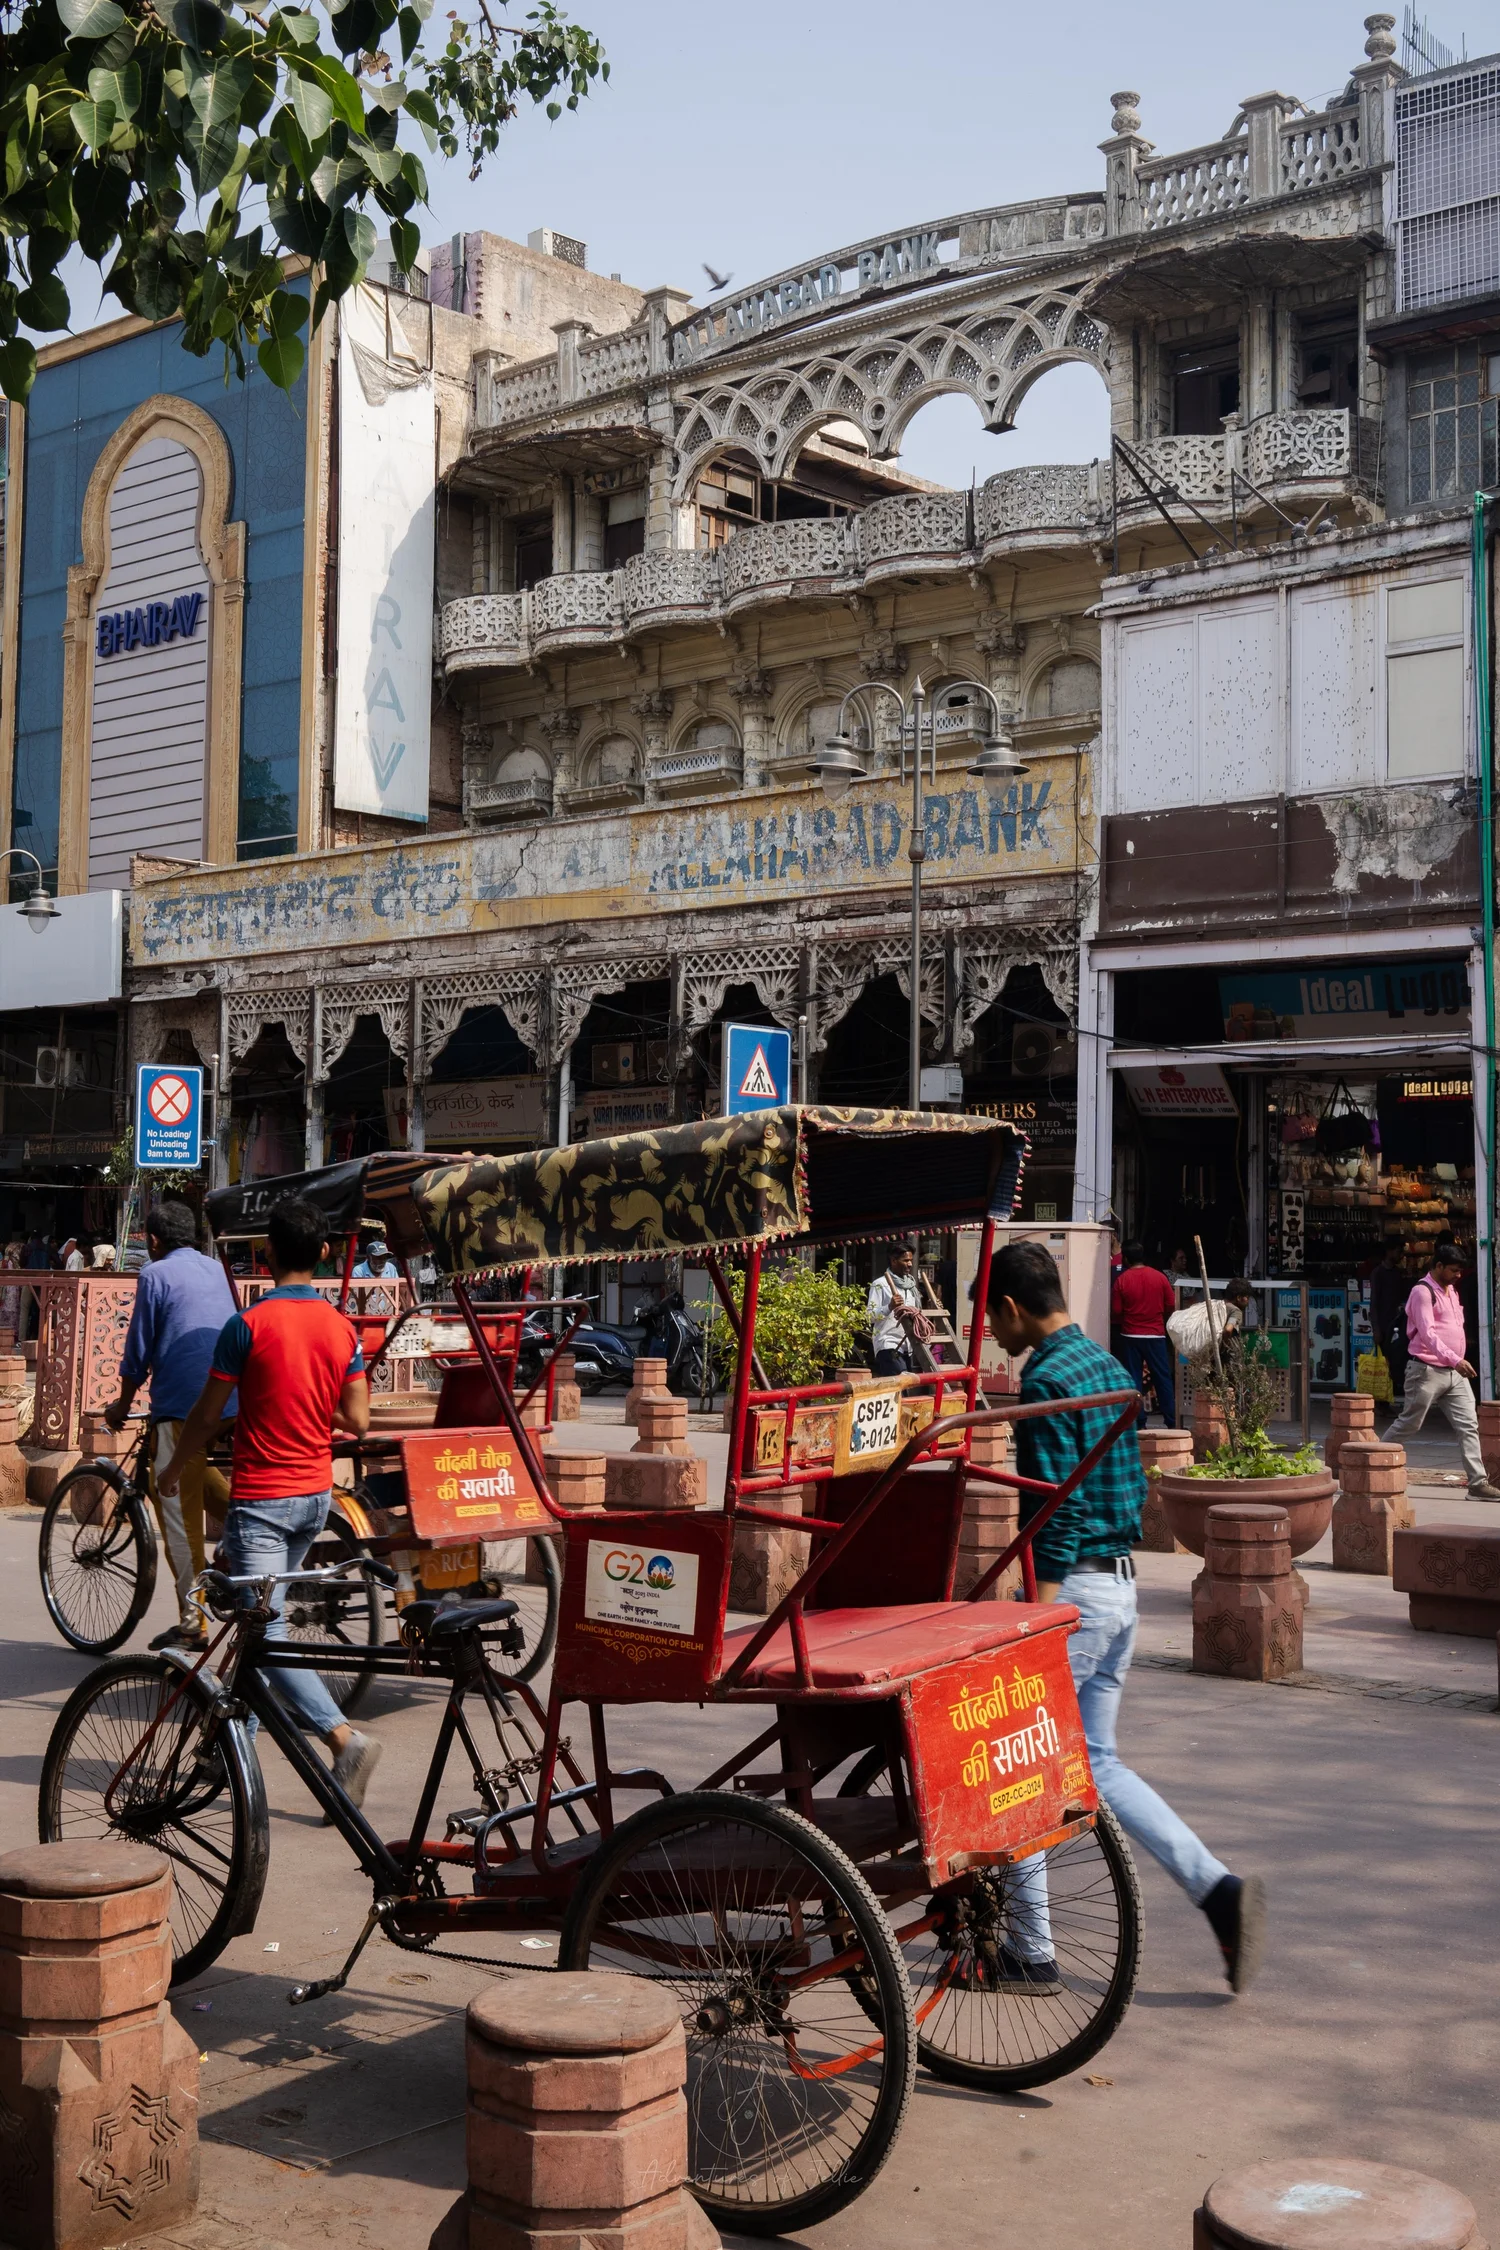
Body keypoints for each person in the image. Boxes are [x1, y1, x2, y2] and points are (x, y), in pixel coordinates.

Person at [985, 1238, 1265, 1992]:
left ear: (1013, 1308)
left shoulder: (1045, 1378)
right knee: (1096, 1763)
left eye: (994, 1320)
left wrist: (1031, 1617)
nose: (995, 1338)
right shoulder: (1106, 1364)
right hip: (1121, 1592)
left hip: (1074, 1592)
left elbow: (1057, 1510)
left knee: (1018, 1763)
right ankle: (1215, 1887)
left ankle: (1031, 1949)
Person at [157, 1195, 381, 1805]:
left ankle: (341, 1739)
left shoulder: (246, 1326)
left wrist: (175, 1469)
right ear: (326, 1254)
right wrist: (311, 1395)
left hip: (261, 1501)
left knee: (266, 1627)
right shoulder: (341, 1328)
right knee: (256, 1627)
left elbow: (205, 1416)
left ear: (269, 1252)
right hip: (314, 1497)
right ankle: (227, 1755)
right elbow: (357, 1420)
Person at [106, 1202, 238, 1650]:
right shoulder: (220, 1271)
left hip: (185, 1404)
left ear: (154, 1242)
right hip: (233, 1400)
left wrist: (121, 1405)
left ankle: (193, 1623)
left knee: (178, 1512)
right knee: (200, 1475)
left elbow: (137, 1349)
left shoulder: (155, 1275)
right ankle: (243, 1533)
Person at [1384, 1247, 1500, 1497]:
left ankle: (1477, 1483)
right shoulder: (1422, 1292)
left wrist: (1457, 1358)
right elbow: (1427, 1334)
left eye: (1459, 1271)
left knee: (1468, 1425)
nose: (1458, 1275)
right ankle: (1370, 1462)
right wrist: (1455, 1359)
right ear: (1438, 1266)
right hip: (1426, 1370)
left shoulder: (1452, 1291)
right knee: (1409, 1423)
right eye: (1453, 1270)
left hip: (1454, 1373)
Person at [1111, 1242, 1177, 1426]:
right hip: (1155, 1334)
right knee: (1162, 1378)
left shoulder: (1122, 1280)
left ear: (1125, 1258)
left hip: (1130, 1335)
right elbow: (1170, 1305)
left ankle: (1139, 1421)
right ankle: (1171, 1421)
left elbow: (1116, 1310)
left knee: (1134, 1379)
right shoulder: (1159, 1277)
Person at [867, 1246, 920, 1376]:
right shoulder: (880, 1284)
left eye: (911, 1260)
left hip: (908, 1345)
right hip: (888, 1344)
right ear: (894, 1261)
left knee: (904, 1390)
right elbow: (869, 1316)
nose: (909, 1264)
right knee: (899, 1388)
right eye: (905, 1260)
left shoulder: (911, 1287)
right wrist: (889, 1307)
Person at [1369, 1243, 1410, 1401]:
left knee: (1396, 1361)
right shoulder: (1378, 1273)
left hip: (1397, 1324)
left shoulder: (1397, 1273)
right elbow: (1374, 1302)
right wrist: (1376, 1328)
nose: (1401, 1254)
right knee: (1383, 1364)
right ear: (1389, 1251)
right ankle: (1382, 1402)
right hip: (1384, 1325)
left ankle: (1389, 1398)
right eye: (1398, 1250)